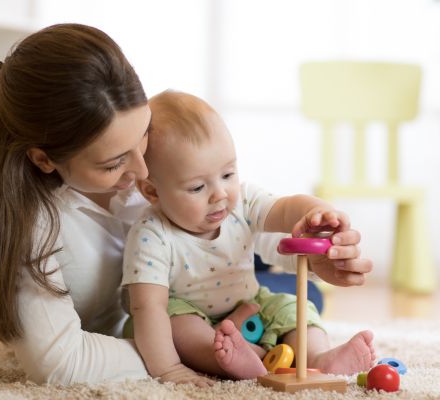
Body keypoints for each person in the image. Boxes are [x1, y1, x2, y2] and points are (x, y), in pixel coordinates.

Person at [0, 23, 373, 386]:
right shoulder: (28, 227)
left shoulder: (151, 168)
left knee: (301, 294)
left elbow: (235, 222)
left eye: (143, 136)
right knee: (228, 322)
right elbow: (61, 362)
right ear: (44, 159)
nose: (145, 173)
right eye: (114, 164)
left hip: (211, 277)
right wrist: (178, 356)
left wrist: (316, 247)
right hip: (166, 310)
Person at [121, 90, 376, 386]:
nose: (220, 194)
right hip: (194, 315)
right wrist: (169, 369)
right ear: (152, 191)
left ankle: (318, 357)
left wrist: (319, 213)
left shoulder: (242, 202)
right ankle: (228, 358)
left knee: (294, 306)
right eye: (196, 188)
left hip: (251, 302)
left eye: (228, 174)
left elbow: (284, 208)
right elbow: (147, 307)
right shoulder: (152, 234)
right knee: (172, 324)